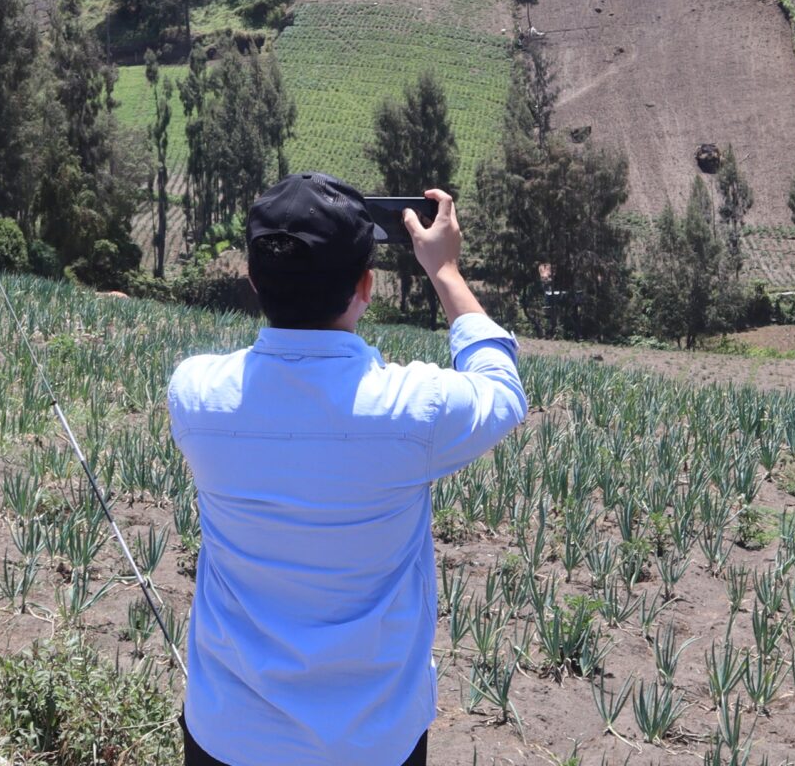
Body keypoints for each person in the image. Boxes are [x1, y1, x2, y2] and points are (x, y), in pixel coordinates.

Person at [167, 174, 526, 766]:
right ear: (366, 285)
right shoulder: (415, 409)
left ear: (255, 280)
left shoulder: (195, 393)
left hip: (230, 732)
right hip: (373, 741)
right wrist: (445, 272)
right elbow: (502, 390)